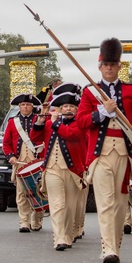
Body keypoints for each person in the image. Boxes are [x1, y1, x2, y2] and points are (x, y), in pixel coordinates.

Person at [76, 38, 132, 263]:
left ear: (119, 66)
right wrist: (101, 113)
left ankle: (115, 245)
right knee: (105, 202)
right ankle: (108, 248)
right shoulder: (90, 93)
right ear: (99, 67)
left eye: (113, 64)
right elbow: (81, 122)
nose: (109, 68)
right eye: (105, 64)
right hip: (100, 155)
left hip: (124, 154)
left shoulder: (131, 91)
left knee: (120, 203)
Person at [41, 83, 86, 251]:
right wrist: (39, 121)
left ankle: (68, 234)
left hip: (73, 170)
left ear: (76, 109)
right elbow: (35, 136)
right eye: (64, 106)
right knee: (57, 203)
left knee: (70, 206)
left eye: (71, 107)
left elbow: (72, 135)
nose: (68, 109)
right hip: (52, 168)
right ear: (59, 109)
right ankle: (59, 237)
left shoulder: (79, 124)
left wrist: (55, 124)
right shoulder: (49, 123)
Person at [3, 93, 47, 233]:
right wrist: (11, 156)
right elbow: (6, 143)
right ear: (19, 107)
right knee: (21, 193)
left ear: (32, 106)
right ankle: (24, 222)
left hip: (37, 160)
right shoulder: (12, 122)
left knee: (39, 191)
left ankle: (37, 220)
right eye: (23, 105)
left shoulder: (39, 120)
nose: (26, 107)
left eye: (28, 104)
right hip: (21, 160)